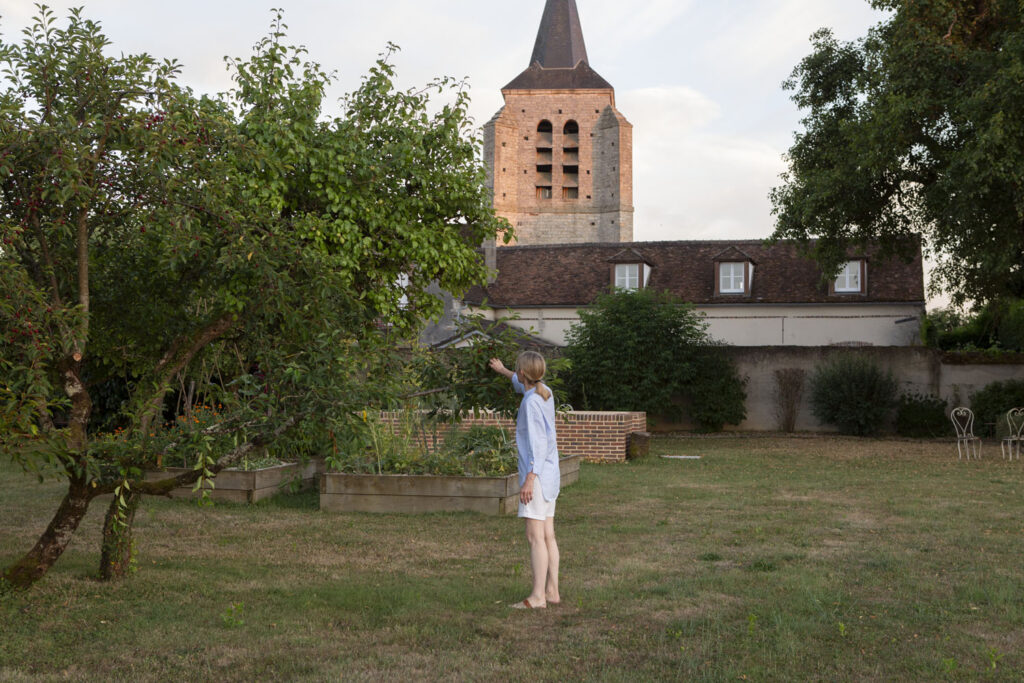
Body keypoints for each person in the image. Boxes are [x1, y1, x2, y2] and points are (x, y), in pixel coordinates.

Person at [488, 351, 561, 609]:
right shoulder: (544, 392)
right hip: (550, 473)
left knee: (534, 537)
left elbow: (537, 444)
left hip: (537, 476)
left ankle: (538, 597)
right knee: (548, 535)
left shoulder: (530, 404)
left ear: (523, 373)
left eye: (517, 370)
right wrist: (504, 370)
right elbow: (522, 384)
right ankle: (552, 591)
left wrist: (529, 479)